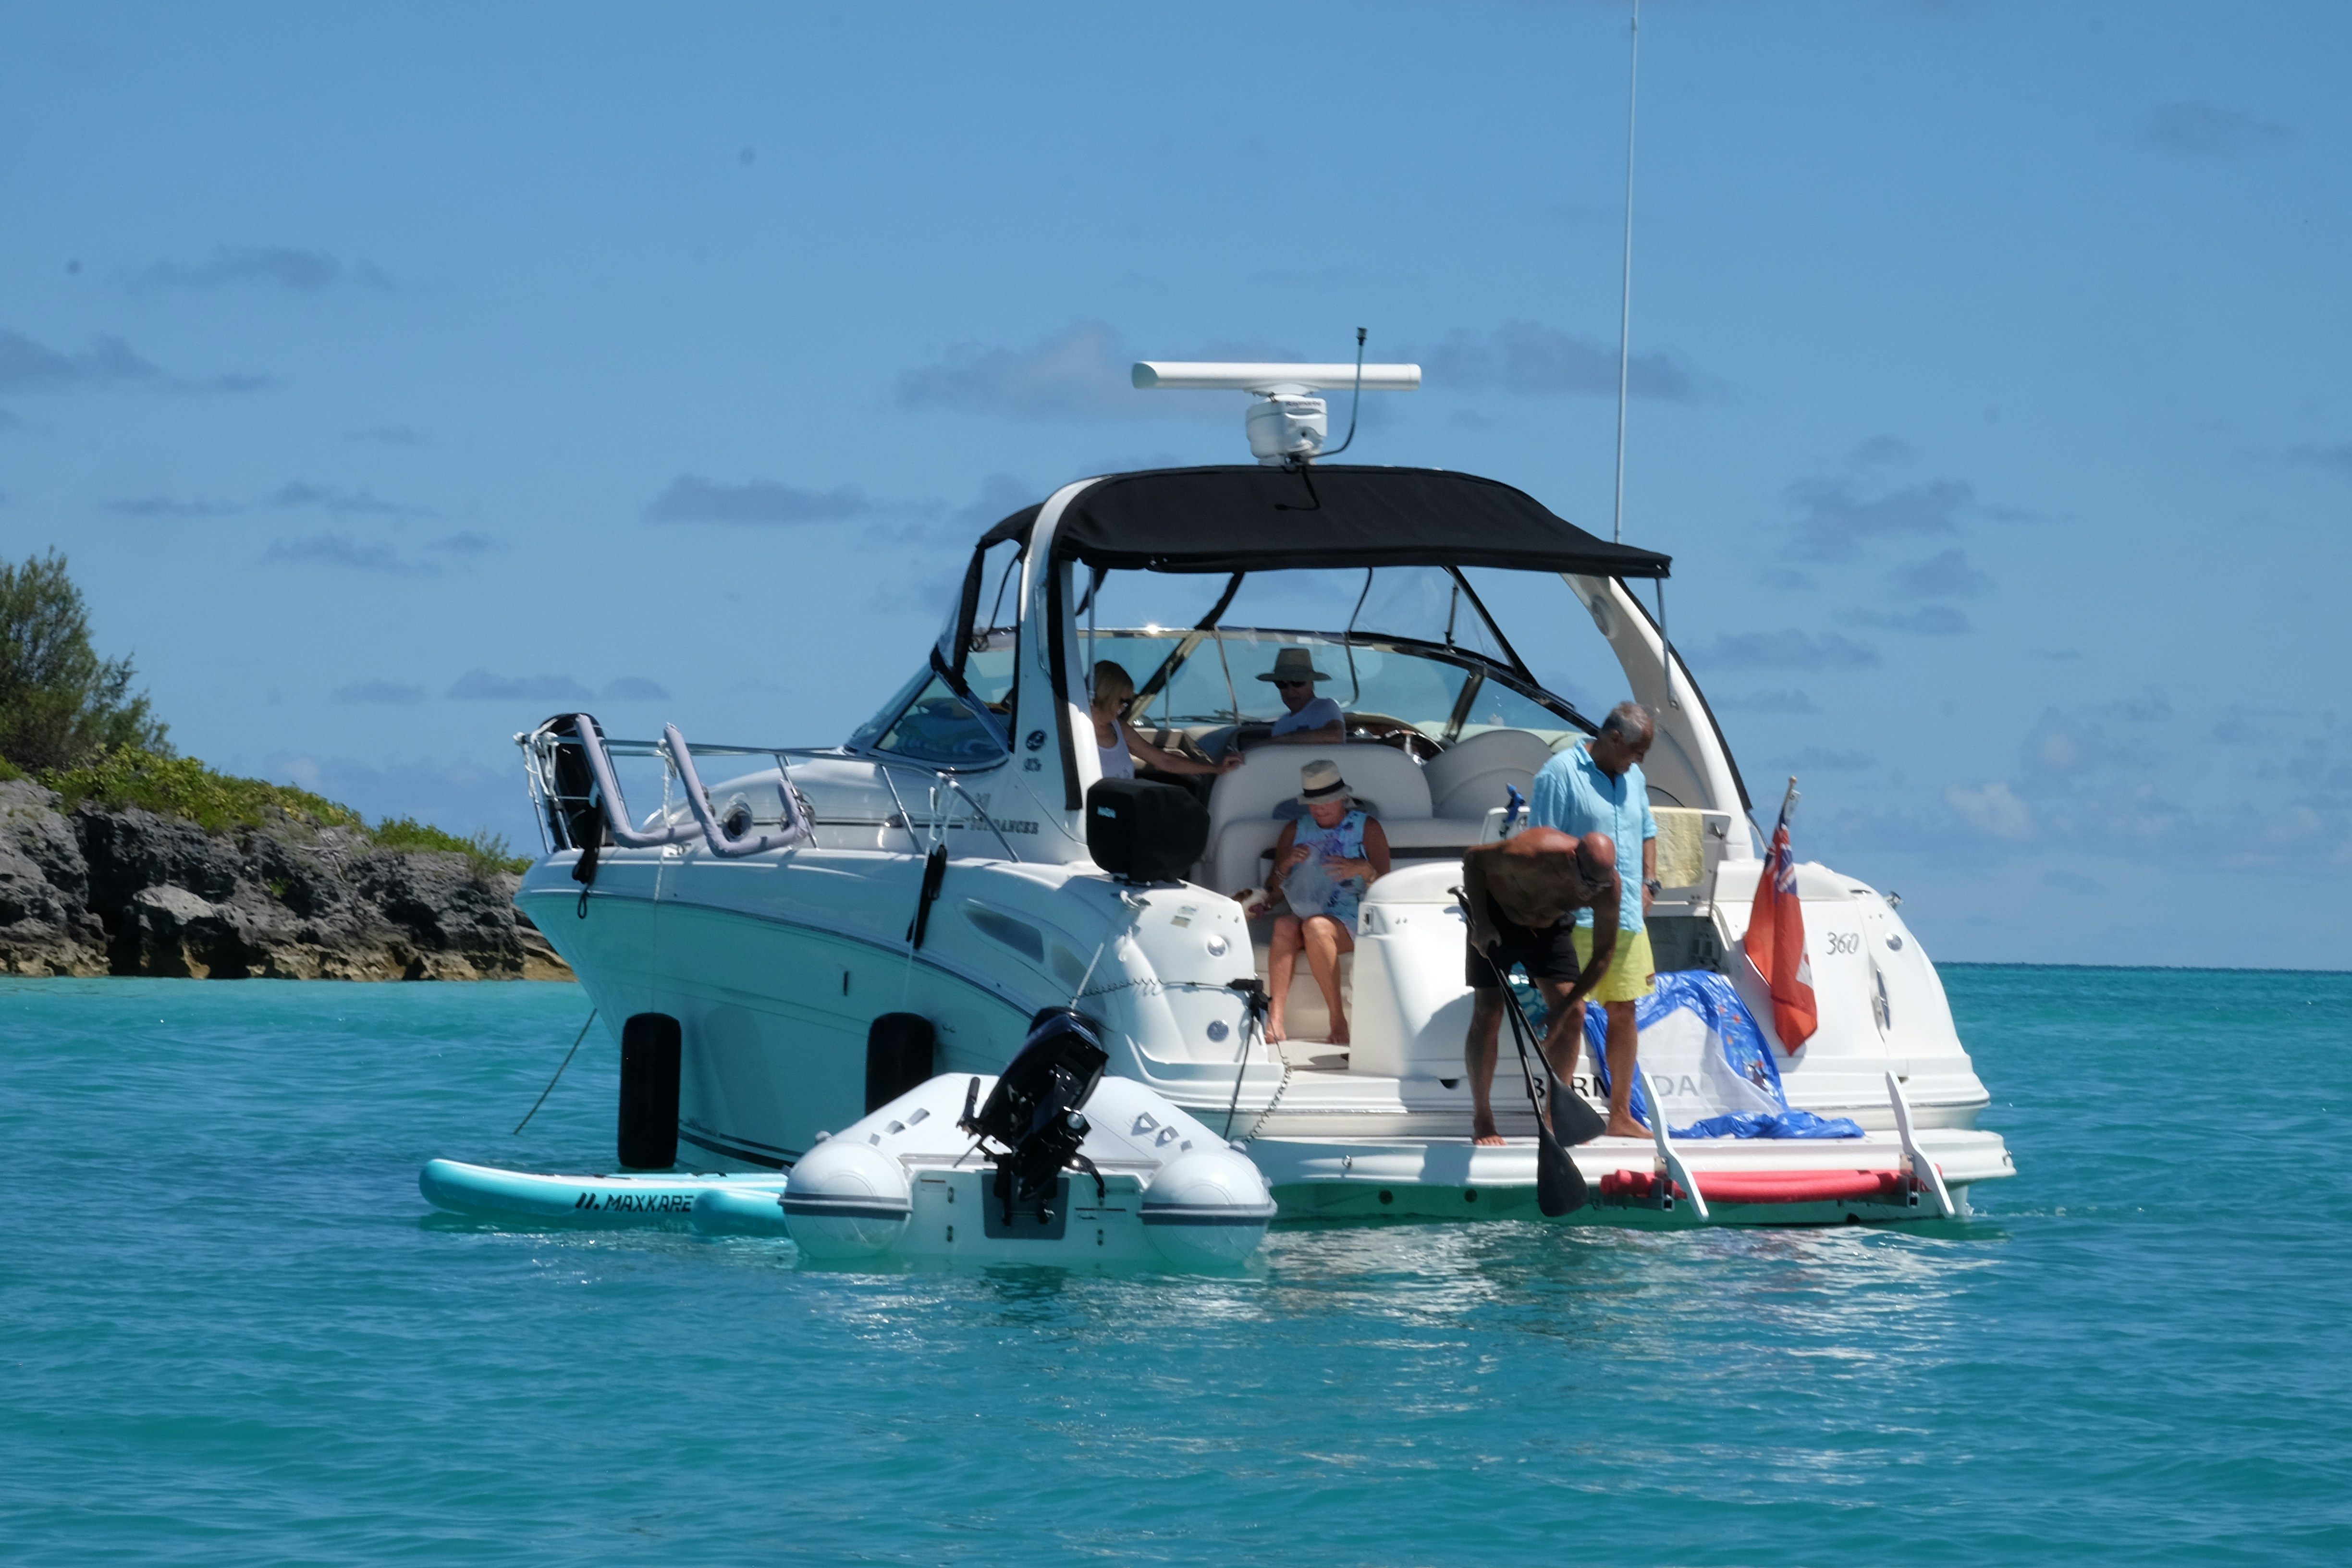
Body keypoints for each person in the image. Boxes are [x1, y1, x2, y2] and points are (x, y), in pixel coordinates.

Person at [1527, 700, 1659, 1139]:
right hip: (1575, 918)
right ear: (1614, 739)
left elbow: (1648, 831)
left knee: (1625, 1011)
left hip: (1626, 917)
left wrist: (1650, 883)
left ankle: (1620, 1115)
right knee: (1571, 1014)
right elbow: (1539, 844)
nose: (1640, 762)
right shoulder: (1558, 774)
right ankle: (1555, 1117)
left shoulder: (1633, 777)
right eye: (1637, 752)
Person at [1459, 826, 1622, 1144]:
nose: (1592, 892)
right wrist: (1482, 922)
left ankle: (1553, 1119)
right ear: (1572, 858)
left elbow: (1604, 954)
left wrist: (1561, 1010)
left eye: (1600, 885)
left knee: (1574, 1014)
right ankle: (1483, 1118)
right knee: (1489, 1011)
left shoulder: (1607, 886)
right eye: (1588, 883)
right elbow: (1473, 861)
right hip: (1497, 919)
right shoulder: (1529, 853)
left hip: (1548, 929)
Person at [1264, 760, 1391, 1044]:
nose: (1319, 809)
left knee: (1316, 927)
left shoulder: (1368, 828)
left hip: (1353, 918)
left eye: (1326, 802)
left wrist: (1363, 869)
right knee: (1285, 925)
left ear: (1342, 798)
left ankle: (1337, 1019)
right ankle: (1276, 1019)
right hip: (1308, 913)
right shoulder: (1295, 829)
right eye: (1313, 803)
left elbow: (1386, 887)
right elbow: (1273, 893)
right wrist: (1285, 865)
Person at [1090, 662, 1242, 782]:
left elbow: (1164, 761)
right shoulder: (1079, 734)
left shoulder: (1119, 729)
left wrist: (1217, 769)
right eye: (1122, 701)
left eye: (1128, 703)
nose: (1124, 708)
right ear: (1107, 696)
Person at [1255, 647, 1346, 745]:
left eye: (1298, 682)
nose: (1290, 690)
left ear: (1312, 683)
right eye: (1281, 683)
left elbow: (1336, 736)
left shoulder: (1325, 707)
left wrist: (1280, 740)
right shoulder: (1281, 724)